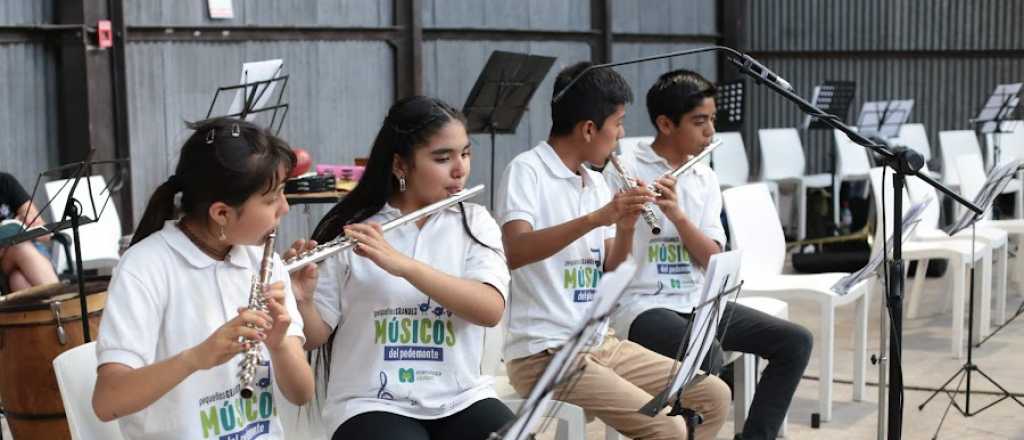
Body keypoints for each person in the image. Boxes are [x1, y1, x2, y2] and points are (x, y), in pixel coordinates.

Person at [496, 62, 730, 440]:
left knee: (713, 395)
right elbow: (515, 250)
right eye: (618, 124)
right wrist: (597, 217)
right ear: (589, 129)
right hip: (545, 354)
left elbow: (613, 268)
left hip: (600, 344)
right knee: (668, 428)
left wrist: (623, 227)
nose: (620, 137)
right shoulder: (527, 171)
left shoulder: (594, 181)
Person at [290, 96, 514, 440]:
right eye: (443, 158)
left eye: (465, 154)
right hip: (370, 403)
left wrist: (404, 266)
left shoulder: (475, 223)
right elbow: (315, 336)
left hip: (461, 397)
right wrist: (302, 301)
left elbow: (489, 309)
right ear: (400, 165)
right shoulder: (352, 227)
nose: (460, 169)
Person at [609, 69, 813, 440]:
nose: (710, 132)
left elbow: (713, 258)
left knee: (795, 341)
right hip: (641, 305)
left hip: (700, 300)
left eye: (712, 120)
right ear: (666, 124)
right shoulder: (624, 170)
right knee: (706, 355)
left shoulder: (703, 177)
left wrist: (678, 216)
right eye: (699, 121)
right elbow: (608, 257)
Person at [92, 118, 314, 440]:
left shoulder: (264, 261)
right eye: (271, 199)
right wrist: (196, 358)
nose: (285, 208)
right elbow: (107, 401)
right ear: (221, 213)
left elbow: (302, 393)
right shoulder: (144, 269)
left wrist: (279, 346)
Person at [0, 172, 58, 291]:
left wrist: (29, 224)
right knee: (19, 246)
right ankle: (64, 303)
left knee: (18, 280)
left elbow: (45, 235)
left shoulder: (5, 182)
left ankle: (56, 306)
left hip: (28, 257)